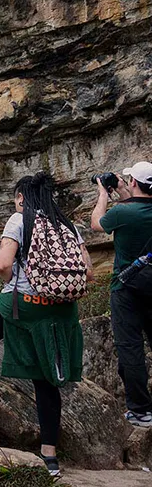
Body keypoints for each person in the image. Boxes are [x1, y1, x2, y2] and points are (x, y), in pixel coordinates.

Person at [0, 172, 93, 477]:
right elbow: (88, 273)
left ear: (21, 197)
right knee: (46, 378)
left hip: (25, 304)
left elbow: (2, 265)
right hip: (62, 311)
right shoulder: (67, 225)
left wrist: (15, 284)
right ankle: (50, 459)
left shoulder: (20, 219)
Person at [90, 161, 152, 428]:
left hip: (126, 288)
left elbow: (96, 224)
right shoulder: (135, 209)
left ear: (135, 183)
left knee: (131, 348)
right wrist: (126, 191)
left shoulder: (121, 214)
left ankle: (140, 410)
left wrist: (104, 194)